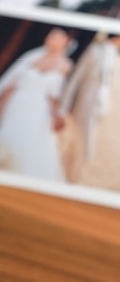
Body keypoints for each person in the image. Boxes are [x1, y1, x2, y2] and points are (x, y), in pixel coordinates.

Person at [0, 26, 75, 182]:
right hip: (17, 103)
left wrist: (56, 117)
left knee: (32, 145)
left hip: (39, 110)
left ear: (66, 41)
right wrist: (1, 108)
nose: (51, 39)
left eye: (56, 37)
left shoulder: (66, 65)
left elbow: (53, 95)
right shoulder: (31, 57)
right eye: (50, 36)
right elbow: (10, 85)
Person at [56, 30, 120, 181]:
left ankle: (66, 177)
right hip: (84, 106)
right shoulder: (94, 51)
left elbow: (106, 82)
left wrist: (106, 105)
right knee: (85, 149)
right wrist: (62, 108)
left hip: (99, 106)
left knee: (77, 146)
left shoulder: (114, 52)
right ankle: (72, 178)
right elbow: (76, 79)